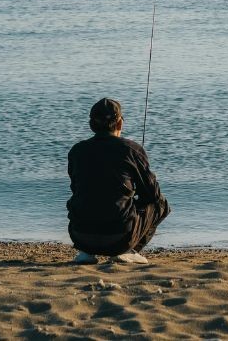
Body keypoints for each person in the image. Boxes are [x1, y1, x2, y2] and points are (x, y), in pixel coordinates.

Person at [66, 98, 170, 264]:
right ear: (119, 123)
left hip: (80, 235)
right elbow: (153, 195)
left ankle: (86, 253)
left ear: (91, 125)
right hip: (119, 238)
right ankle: (128, 250)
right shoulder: (131, 149)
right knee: (161, 204)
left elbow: (77, 188)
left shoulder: (77, 151)